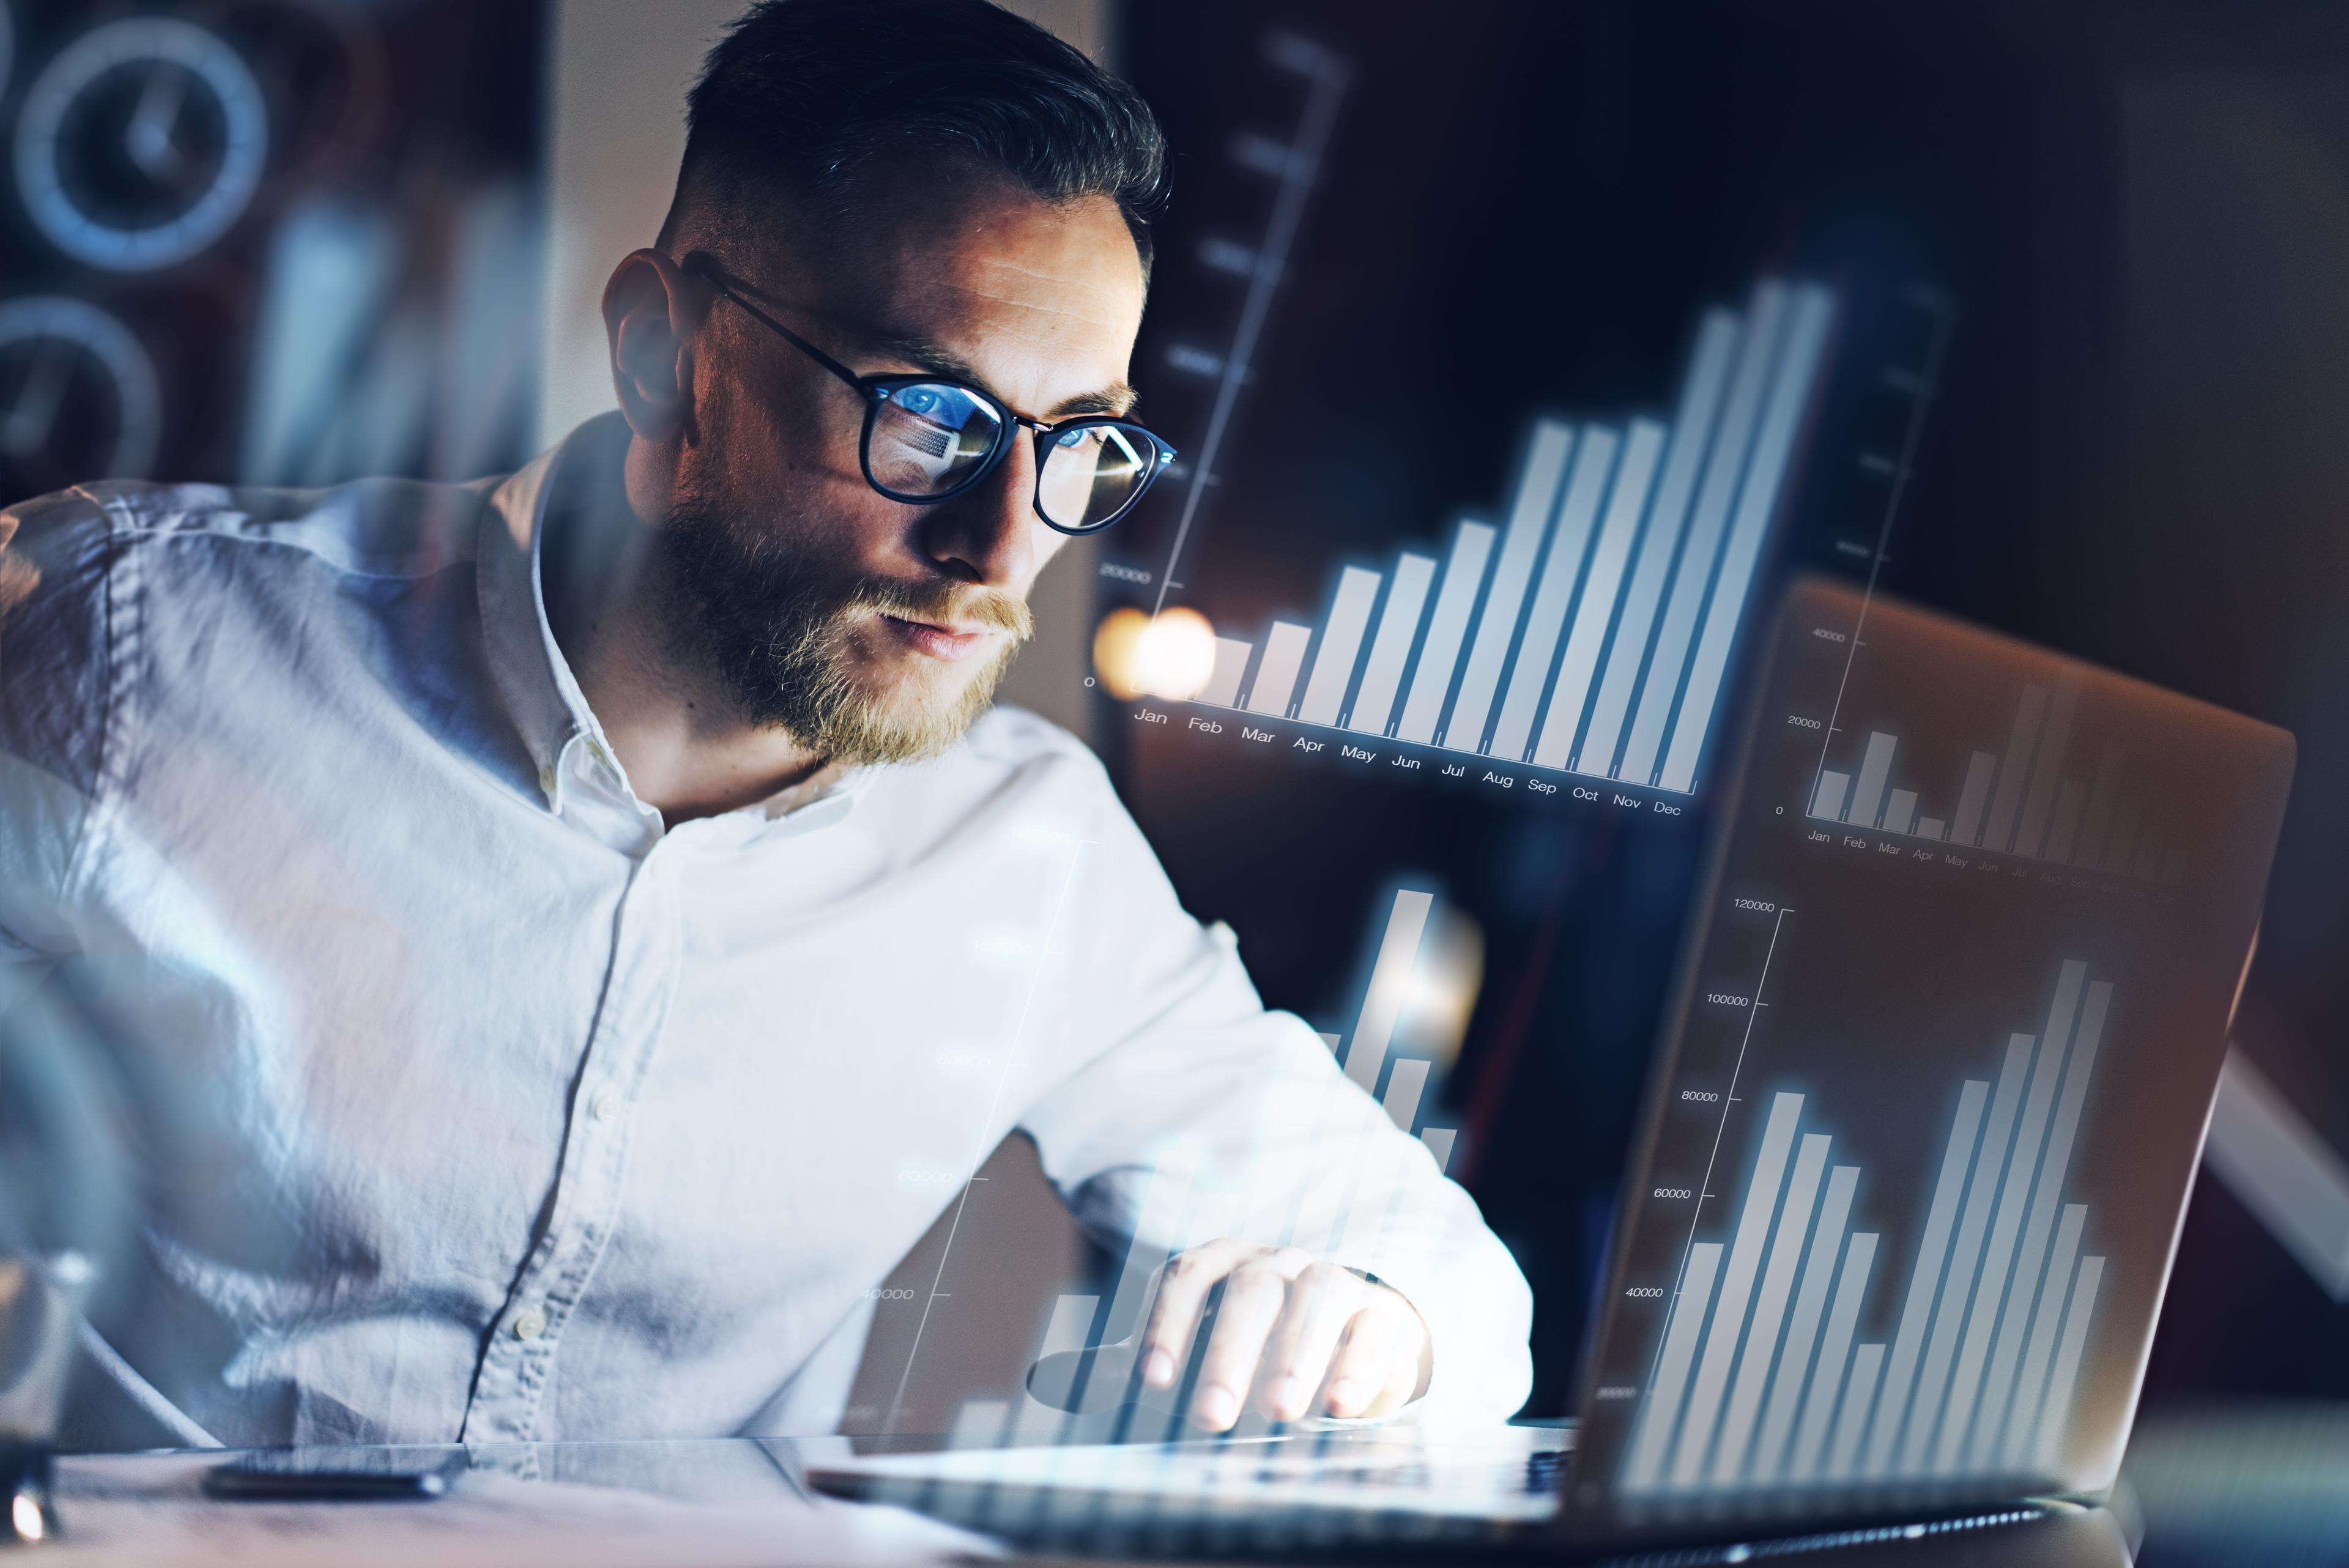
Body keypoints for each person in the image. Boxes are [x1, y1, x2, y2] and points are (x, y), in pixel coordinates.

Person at [0, 0, 1531, 1449]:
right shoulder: (136, 644)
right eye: (933, 415)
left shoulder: (1027, 849)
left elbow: (1454, 1294)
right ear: (667, 355)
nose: (1004, 552)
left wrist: (1359, 1325)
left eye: (1083, 442)